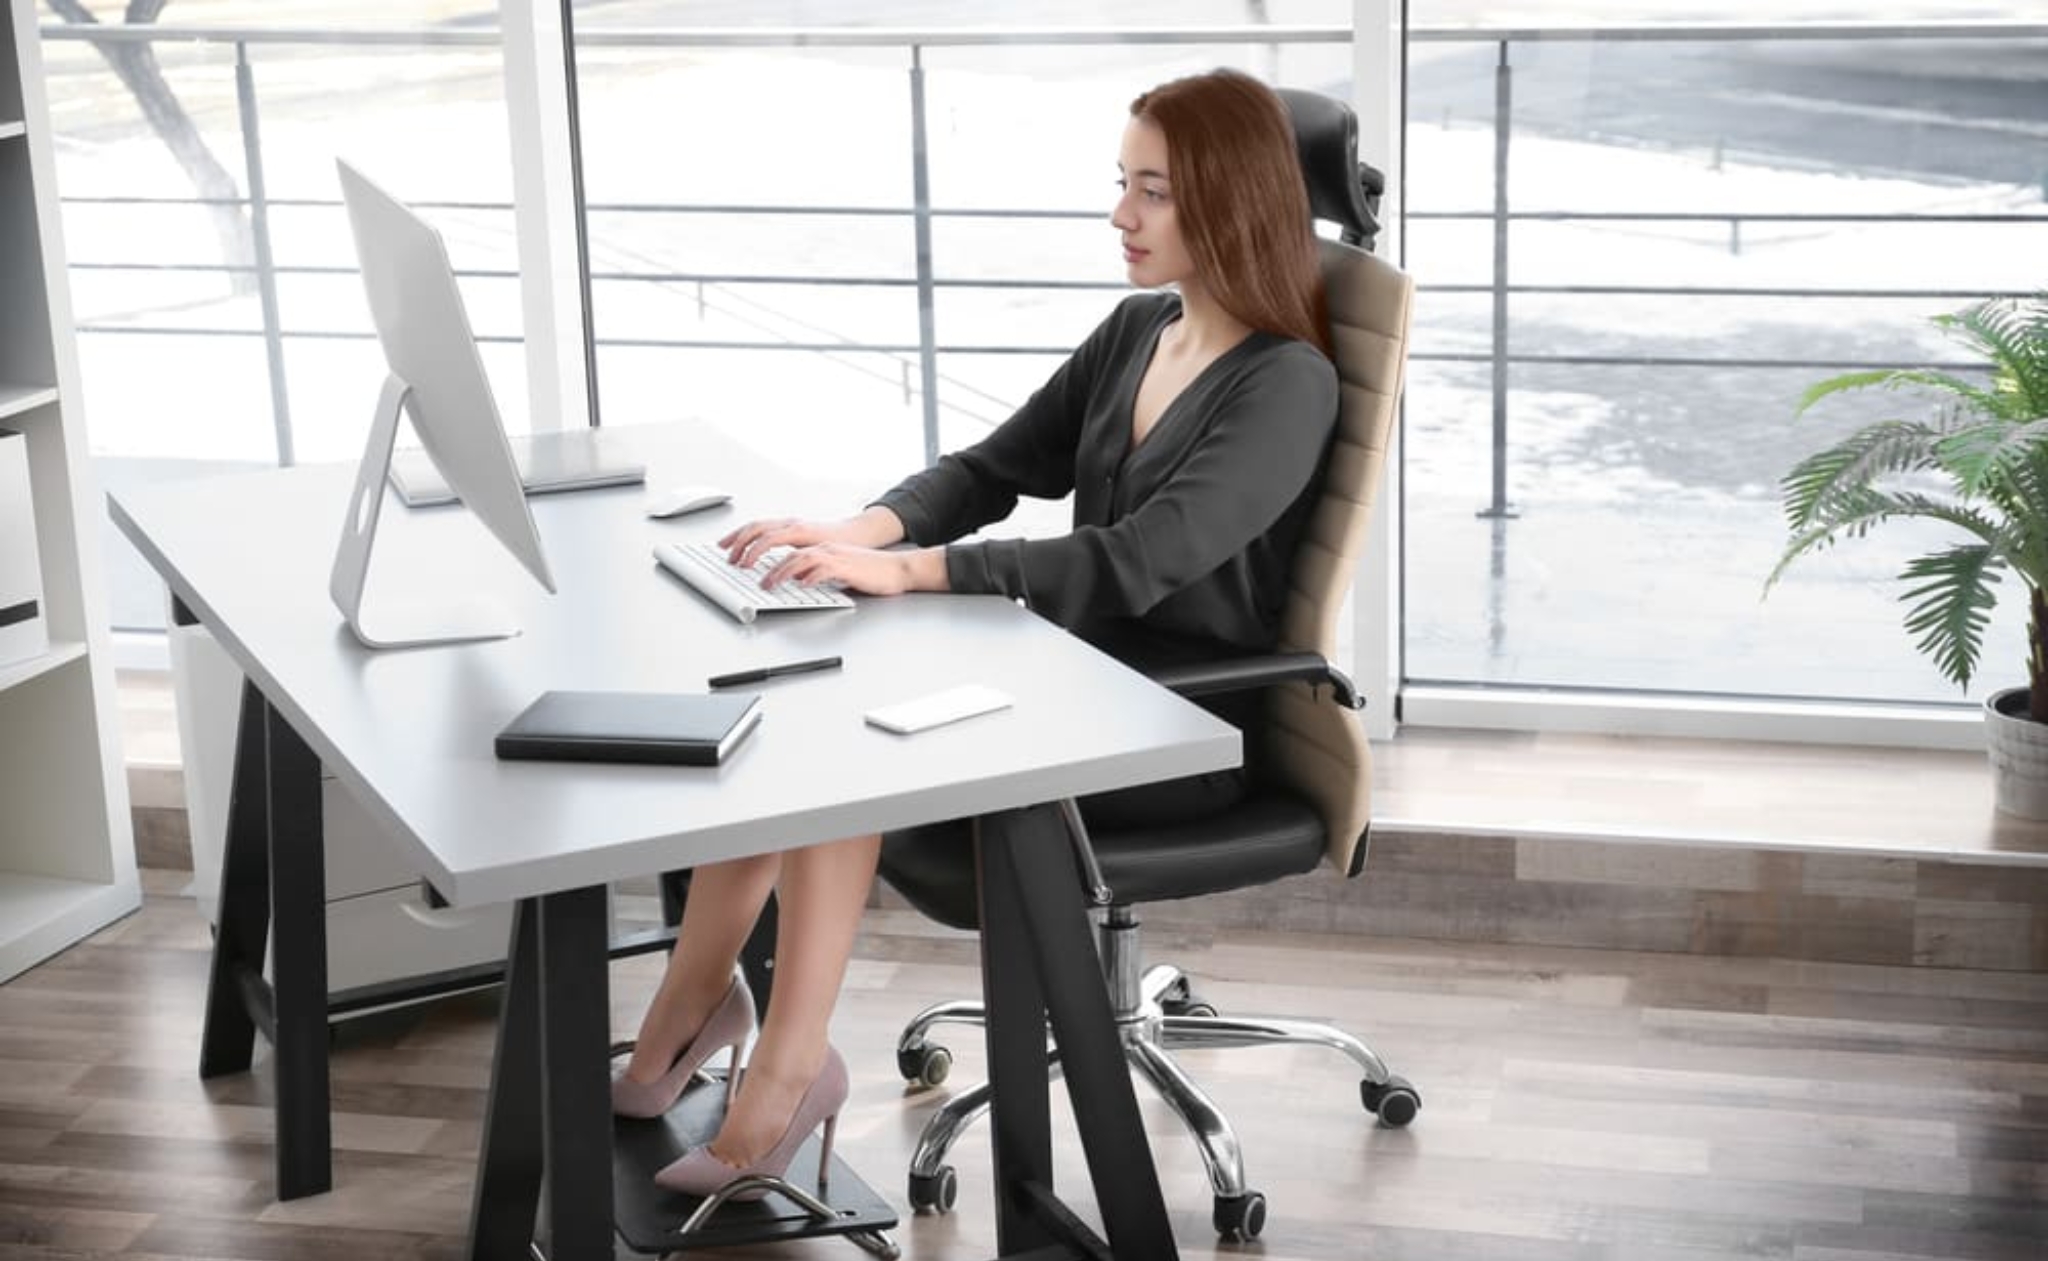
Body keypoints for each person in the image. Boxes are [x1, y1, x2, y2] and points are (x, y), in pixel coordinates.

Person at [617, 65, 1341, 1201]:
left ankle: (788, 1076)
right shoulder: (1139, 331)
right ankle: (693, 1009)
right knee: (791, 697)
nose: (1119, 216)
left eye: (1152, 191)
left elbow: (1135, 558)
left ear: (1229, 198)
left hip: (1174, 733)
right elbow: (994, 468)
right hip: (1071, 684)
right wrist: (859, 528)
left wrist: (907, 573)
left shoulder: (1286, 383)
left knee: (839, 750)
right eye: (1122, 185)